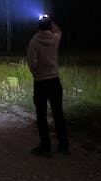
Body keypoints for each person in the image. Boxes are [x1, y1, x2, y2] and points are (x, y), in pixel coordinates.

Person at [26, 15, 69, 157]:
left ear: (38, 27)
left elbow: (32, 64)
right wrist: (51, 20)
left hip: (41, 82)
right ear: (49, 26)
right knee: (58, 114)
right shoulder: (55, 39)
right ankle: (64, 145)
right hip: (55, 81)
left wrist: (36, 73)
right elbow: (59, 31)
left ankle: (45, 147)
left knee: (41, 115)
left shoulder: (34, 42)